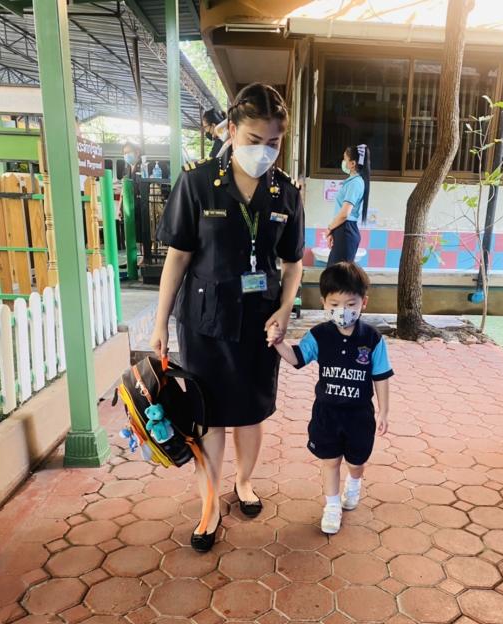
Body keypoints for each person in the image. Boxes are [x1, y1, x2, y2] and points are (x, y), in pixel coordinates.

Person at [151, 82, 304, 552]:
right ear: (232, 130)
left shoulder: (285, 192)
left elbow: (293, 263)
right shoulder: (197, 183)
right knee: (210, 416)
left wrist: (285, 309)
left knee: (252, 411)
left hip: (260, 322)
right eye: (255, 139)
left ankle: (244, 482)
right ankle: (209, 503)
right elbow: (178, 257)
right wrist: (159, 323)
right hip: (205, 321)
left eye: (274, 142)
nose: (265, 151)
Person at [268, 261, 393, 535]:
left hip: (359, 416)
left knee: (356, 463)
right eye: (335, 304)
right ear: (324, 302)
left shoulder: (373, 339)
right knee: (330, 461)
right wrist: (279, 342)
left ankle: (354, 483)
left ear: (363, 302)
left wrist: (383, 410)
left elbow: (381, 376)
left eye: (350, 304)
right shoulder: (319, 335)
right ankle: (332, 506)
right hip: (326, 414)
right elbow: (297, 358)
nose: (343, 311)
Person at [326, 144, 371, 266]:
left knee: (338, 273)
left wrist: (329, 229)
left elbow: (345, 214)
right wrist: (333, 231)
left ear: (352, 163)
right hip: (343, 230)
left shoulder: (355, 183)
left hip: (345, 230)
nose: (343, 162)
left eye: (345, 159)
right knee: (335, 272)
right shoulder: (352, 182)